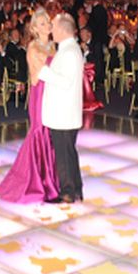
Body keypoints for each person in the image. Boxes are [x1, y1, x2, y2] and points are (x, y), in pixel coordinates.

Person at [0, 9, 59, 203]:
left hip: (54, 92)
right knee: (40, 131)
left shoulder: (53, 46)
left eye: (47, 21)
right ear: (33, 28)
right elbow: (40, 72)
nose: (46, 24)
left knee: (51, 133)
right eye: (41, 23)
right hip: (40, 93)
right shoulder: (33, 47)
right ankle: (36, 181)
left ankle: (51, 178)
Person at [39, 13, 85, 203]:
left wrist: (43, 72)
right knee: (69, 152)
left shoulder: (69, 52)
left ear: (63, 30)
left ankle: (67, 192)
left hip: (63, 112)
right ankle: (76, 188)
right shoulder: (68, 49)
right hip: (65, 111)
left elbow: (65, 81)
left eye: (54, 28)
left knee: (64, 154)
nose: (52, 31)